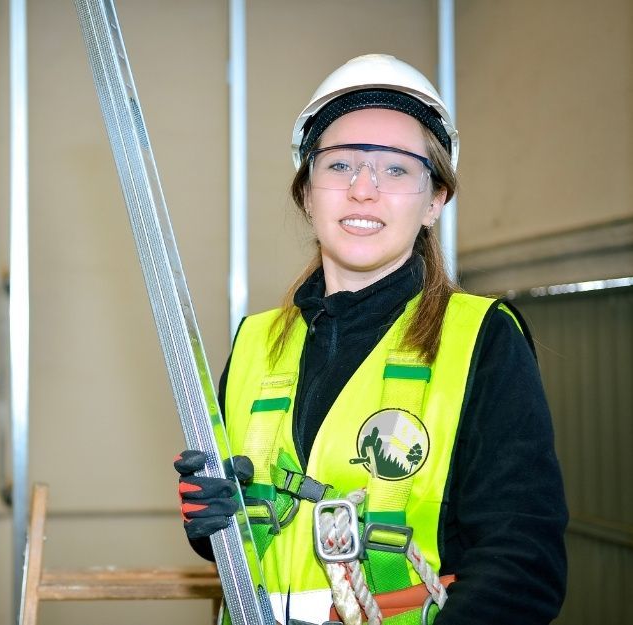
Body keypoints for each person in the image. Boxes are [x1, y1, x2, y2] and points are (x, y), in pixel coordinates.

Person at [174, 54, 567, 625]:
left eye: (397, 169)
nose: (363, 189)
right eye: (339, 166)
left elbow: (523, 569)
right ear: (307, 193)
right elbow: (246, 548)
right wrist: (213, 522)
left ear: (435, 201)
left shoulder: (481, 340)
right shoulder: (256, 343)